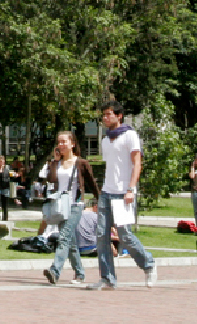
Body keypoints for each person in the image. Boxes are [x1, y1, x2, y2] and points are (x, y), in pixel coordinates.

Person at [91, 101, 156, 290]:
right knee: (102, 235)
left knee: (125, 235)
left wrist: (131, 189)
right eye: (103, 114)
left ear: (119, 116)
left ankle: (149, 264)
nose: (105, 118)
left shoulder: (130, 135)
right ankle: (108, 278)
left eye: (109, 114)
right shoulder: (105, 140)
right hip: (107, 192)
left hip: (123, 194)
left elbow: (137, 163)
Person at [40, 131, 99, 286]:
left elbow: (92, 183)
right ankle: (80, 273)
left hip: (76, 205)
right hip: (60, 206)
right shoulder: (55, 164)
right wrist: (54, 161)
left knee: (64, 237)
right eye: (59, 142)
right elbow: (49, 180)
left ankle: (55, 271)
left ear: (72, 143)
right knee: (70, 242)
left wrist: (99, 199)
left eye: (64, 142)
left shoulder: (81, 163)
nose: (61, 145)